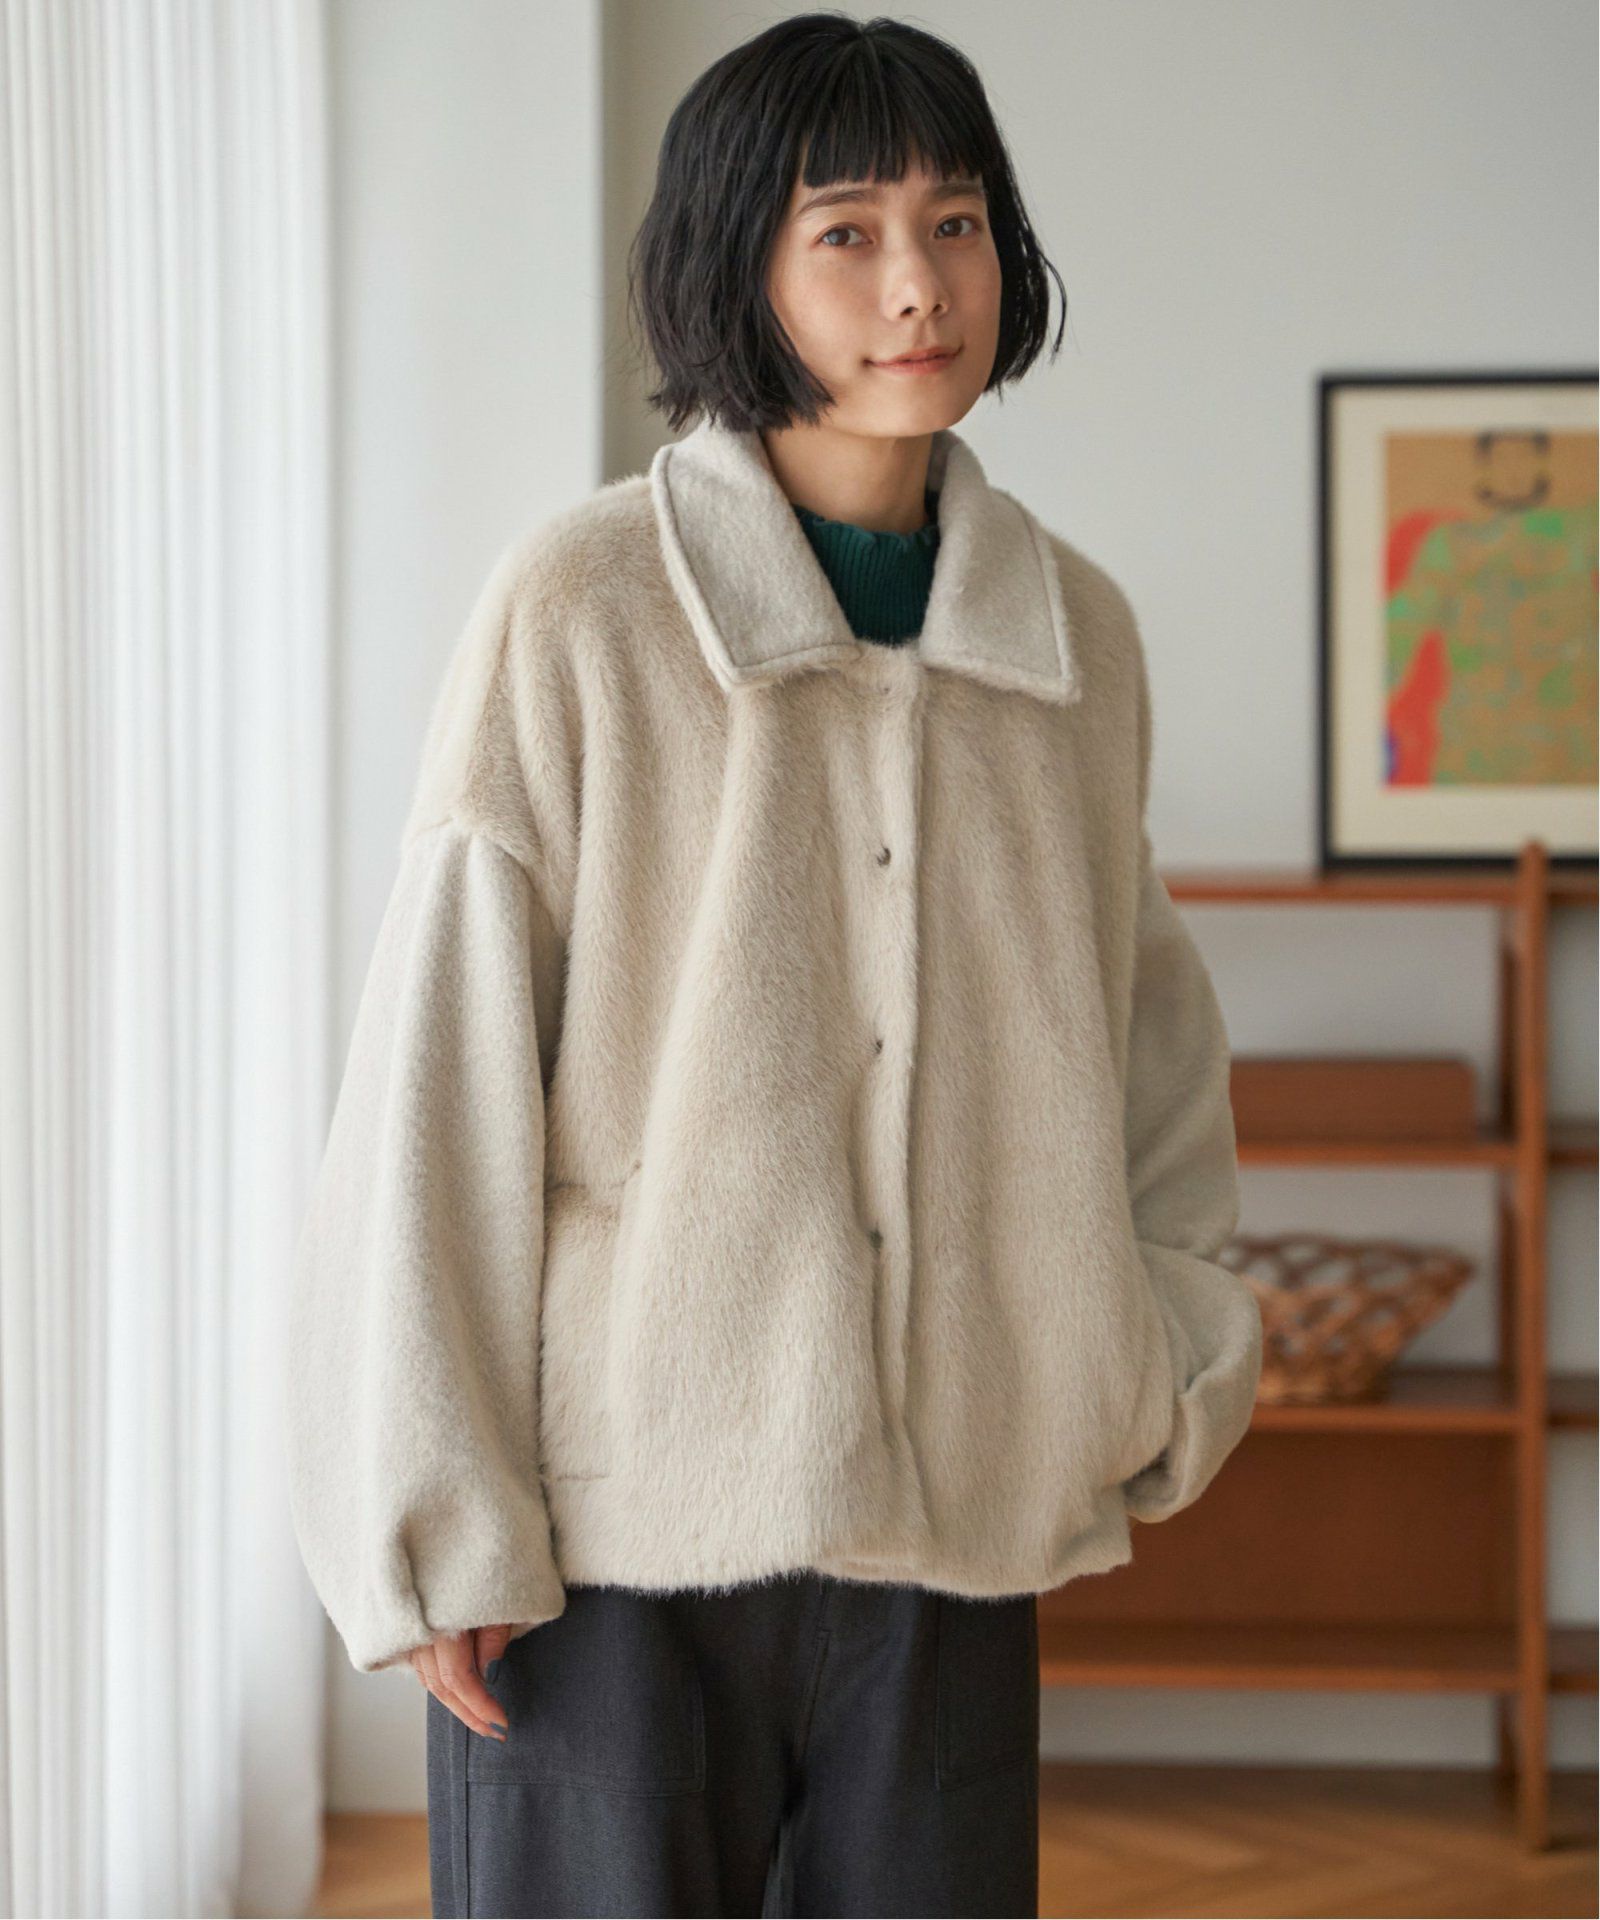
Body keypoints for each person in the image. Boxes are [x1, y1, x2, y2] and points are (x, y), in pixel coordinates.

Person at [284, 13, 1263, 1917]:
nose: (921, 286)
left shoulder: (1075, 637)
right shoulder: (580, 604)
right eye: (848, 232)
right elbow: (441, 1064)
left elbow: (1149, 1040)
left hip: (958, 1528)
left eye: (959, 223)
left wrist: (1165, 1355)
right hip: (611, 1540)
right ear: (735, 265)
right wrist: (431, 1504)